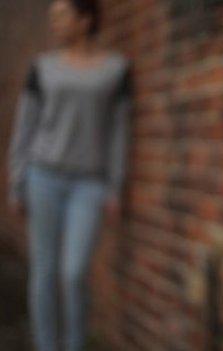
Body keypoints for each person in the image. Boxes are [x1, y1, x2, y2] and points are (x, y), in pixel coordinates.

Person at [7, 0, 132, 350]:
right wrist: (17, 181)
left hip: (89, 184)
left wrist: (115, 187)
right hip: (42, 177)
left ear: (85, 19)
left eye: (62, 16)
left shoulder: (115, 70)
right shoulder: (42, 68)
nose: (56, 24)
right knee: (44, 273)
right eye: (53, 18)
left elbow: (119, 133)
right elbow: (25, 126)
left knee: (74, 273)